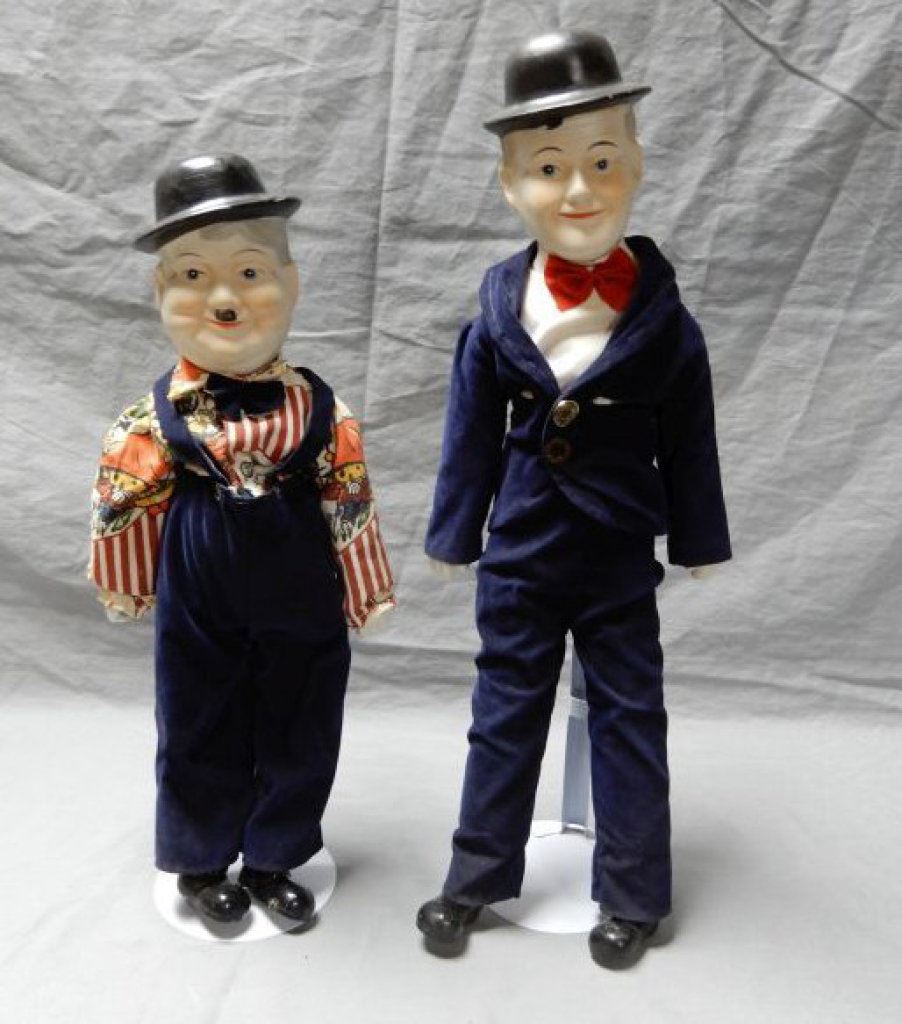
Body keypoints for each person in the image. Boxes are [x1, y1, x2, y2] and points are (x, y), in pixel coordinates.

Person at [417, 31, 730, 968]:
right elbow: (469, 432)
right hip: (520, 547)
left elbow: (692, 437)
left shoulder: (665, 323)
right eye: (549, 168)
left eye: (602, 161)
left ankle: (632, 891)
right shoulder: (498, 312)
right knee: (503, 712)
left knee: (631, 714)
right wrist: (454, 533)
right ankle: (475, 876)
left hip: (617, 552)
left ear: (636, 165)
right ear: (512, 185)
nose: (579, 190)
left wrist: (698, 538)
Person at [89, 154, 395, 925]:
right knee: (196, 714)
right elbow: (126, 497)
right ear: (160, 292)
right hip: (200, 579)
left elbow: (348, 497)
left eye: (250, 273)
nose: (224, 300)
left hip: (299, 578)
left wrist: (366, 591)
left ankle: (274, 854)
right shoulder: (150, 419)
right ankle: (200, 861)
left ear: (291, 284)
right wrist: (125, 583)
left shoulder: (321, 411)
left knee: (303, 712)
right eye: (193, 277)